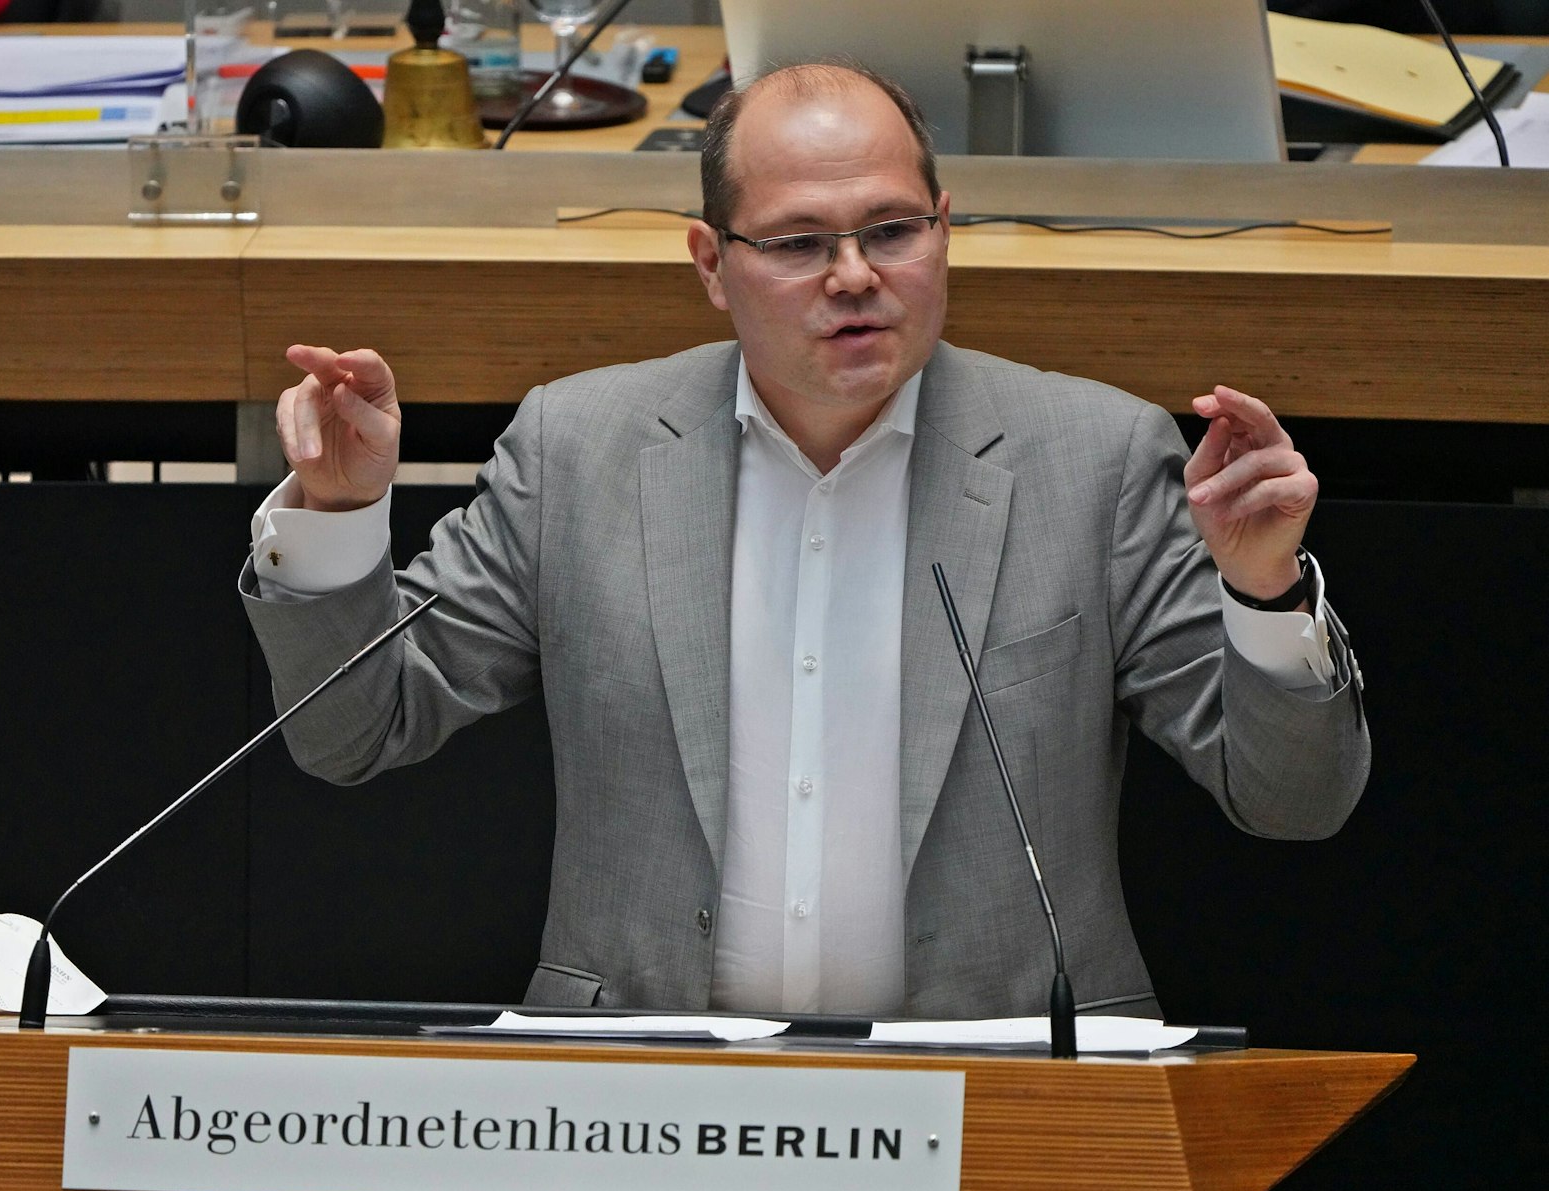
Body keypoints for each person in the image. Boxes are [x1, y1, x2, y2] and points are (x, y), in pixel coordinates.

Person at [241, 64, 1368, 1025]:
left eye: (891, 230)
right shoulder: (579, 450)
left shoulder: (1091, 459)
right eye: (796, 242)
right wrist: (338, 516)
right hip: (650, 1127)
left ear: (943, 225)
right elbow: (355, 730)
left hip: (1011, 1112)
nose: (853, 277)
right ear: (707, 262)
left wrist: (1262, 592)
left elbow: (1290, 798)